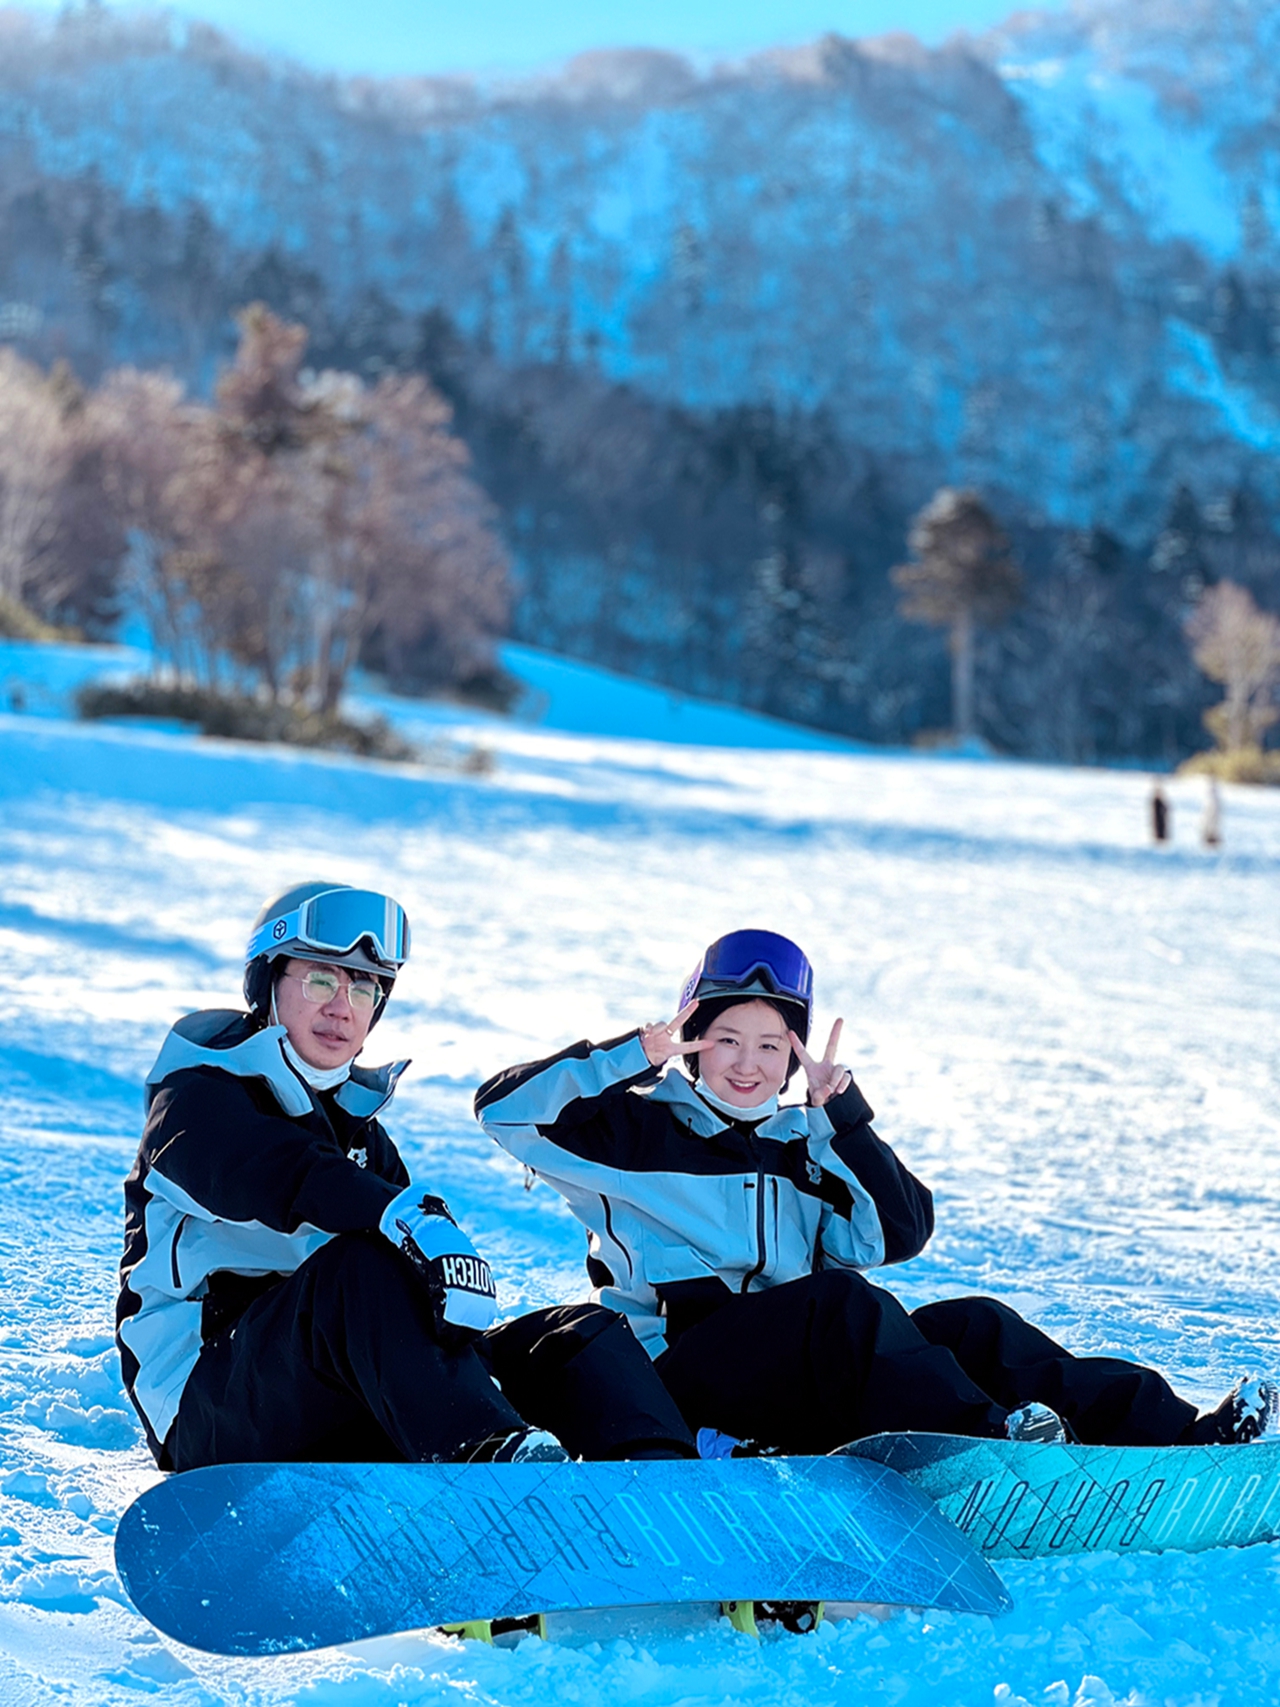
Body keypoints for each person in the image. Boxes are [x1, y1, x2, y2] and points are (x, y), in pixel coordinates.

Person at [475, 928, 1278, 1455]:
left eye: (770, 1044)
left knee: (975, 1324)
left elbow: (899, 1232)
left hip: (801, 1370)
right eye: (726, 1038)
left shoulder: (805, 1143)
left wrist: (844, 1119)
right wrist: (630, 1054)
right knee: (841, 1306)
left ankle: (1182, 1437)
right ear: (693, 1040)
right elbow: (503, 1110)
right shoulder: (628, 1130)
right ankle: (986, 1444)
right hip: (684, 1375)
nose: (748, 1063)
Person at [118, 882, 695, 1472]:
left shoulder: (361, 1136)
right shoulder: (197, 1095)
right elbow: (272, 1171)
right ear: (267, 982)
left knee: (577, 1338)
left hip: (338, 1392)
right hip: (204, 1404)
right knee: (361, 1267)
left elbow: (404, 1298)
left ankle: (663, 1478)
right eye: (320, 981)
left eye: (363, 988)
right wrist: (395, 1214)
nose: (342, 1008)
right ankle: (485, 1465)